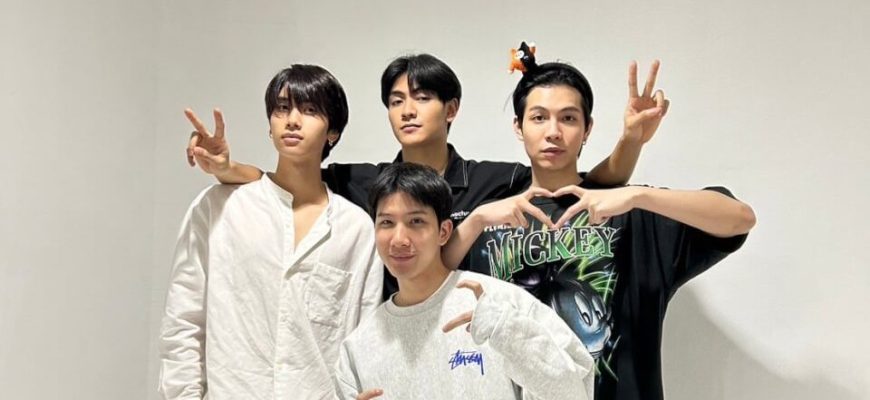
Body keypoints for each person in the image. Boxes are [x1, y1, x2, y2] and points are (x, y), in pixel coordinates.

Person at [184, 52, 667, 298]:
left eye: (422, 98)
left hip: (469, 347)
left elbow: (587, 185)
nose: (408, 110)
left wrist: (631, 142)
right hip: (392, 338)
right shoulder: (365, 182)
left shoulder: (495, 181)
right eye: (396, 101)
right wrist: (228, 169)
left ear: (450, 108)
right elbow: (289, 180)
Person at [444, 47, 756, 400]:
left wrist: (637, 195)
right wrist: (477, 219)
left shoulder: (628, 211)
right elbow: (427, 284)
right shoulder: (491, 219)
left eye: (568, 118)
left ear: (587, 128)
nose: (553, 132)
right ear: (519, 127)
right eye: (539, 118)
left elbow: (740, 218)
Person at [159, 65, 383, 399]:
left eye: (310, 110)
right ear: (270, 125)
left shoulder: (356, 230)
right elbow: (183, 321)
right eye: (282, 108)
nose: (292, 120)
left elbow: (363, 341)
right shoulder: (219, 208)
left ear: (333, 132)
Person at [336, 163, 595, 400]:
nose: (399, 239)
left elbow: (574, 392)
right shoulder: (359, 346)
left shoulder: (502, 304)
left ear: (443, 232)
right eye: (386, 223)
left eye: (416, 221)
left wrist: (507, 331)